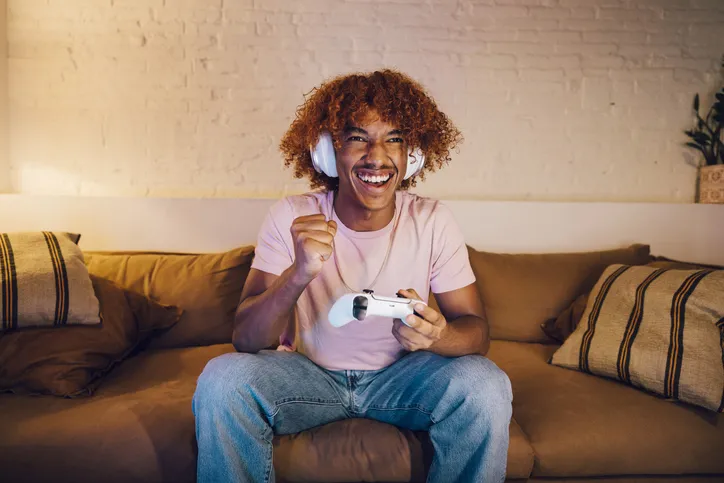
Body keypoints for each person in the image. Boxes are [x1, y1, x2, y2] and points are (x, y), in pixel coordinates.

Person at [193, 69, 513, 483]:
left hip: (401, 379)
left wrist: (440, 337)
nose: (377, 156)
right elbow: (246, 338)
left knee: (486, 383)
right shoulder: (291, 215)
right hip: (308, 377)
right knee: (222, 379)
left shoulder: (432, 219)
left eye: (394, 138)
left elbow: (477, 332)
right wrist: (298, 273)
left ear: (411, 155)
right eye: (357, 137)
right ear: (328, 153)